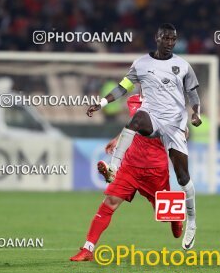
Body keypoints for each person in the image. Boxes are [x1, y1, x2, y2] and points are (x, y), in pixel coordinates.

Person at [86, 23, 201, 250]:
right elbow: (122, 87)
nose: (169, 43)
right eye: (165, 38)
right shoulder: (140, 66)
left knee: (183, 178)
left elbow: (192, 93)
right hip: (144, 136)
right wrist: (101, 103)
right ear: (157, 38)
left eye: (173, 39)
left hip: (171, 131)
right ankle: (113, 168)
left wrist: (195, 114)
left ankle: (191, 222)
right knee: (136, 120)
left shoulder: (182, 65)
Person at [71, 95, 183, 261]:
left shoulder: (168, 102)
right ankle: (88, 249)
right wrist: (118, 139)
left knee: (163, 214)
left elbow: (182, 129)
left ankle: (176, 219)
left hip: (155, 169)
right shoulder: (134, 100)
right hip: (130, 166)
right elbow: (132, 124)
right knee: (109, 203)